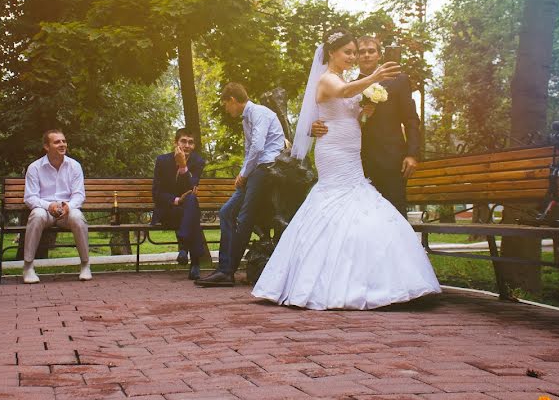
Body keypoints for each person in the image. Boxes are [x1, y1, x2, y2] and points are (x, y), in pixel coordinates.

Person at [251, 31, 441, 309]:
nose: (353, 57)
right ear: (331, 53)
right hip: (335, 154)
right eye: (348, 52)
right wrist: (374, 78)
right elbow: (339, 94)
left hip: (354, 154)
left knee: (359, 209)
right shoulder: (329, 78)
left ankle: (376, 278)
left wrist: (364, 112)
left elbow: (346, 108)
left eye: (356, 52)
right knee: (335, 204)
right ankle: (324, 281)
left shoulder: (345, 79)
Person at [311, 36, 421, 215]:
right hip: (358, 161)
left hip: (391, 159)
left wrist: (412, 153)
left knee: (395, 212)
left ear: (379, 55)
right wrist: (314, 126)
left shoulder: (399, 80)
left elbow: (411, 119)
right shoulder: (348, 83)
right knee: (363, 214)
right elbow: (335, 111)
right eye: (361, 52)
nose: (366, 55)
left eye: (371, 51)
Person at [196, 83, 285, 287]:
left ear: (232, 100)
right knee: (227, 211)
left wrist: (244, 174)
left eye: (226, 105)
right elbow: (249, 149)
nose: (227, 110)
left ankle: (227, 272)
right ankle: (223, 268)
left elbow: (258, 146)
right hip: (255, 169)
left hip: (266, 169)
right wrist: (243, 172)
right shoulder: (247, 117)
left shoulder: (260, 113)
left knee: (244, 218)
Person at [22, 129, 91, 284]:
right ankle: (28, 267)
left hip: (66, 211)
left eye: (64, 141)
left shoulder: (74, 166)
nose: (62, 144)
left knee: (78, 217)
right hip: (45, 211)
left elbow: (79, 195)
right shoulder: (35, 167)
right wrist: (49, 206)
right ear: (47, 146)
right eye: (57, 142)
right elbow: (30, 197)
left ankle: (85, 265)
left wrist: (68, 206)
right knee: (37, 215)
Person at [151, 128, 207, 280]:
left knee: (191, 200)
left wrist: (183, 167)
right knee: (191, 209)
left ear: (194, 146)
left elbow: (192, 186)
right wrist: (176, 200)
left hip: (187, 209)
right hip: (168, 210)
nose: (187, 145)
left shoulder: (198, 162)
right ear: (176, 143)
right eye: (183, 141)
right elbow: (157, 192)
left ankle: (183, 246)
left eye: (191, 142)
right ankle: (194, 262)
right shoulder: (162, 161)